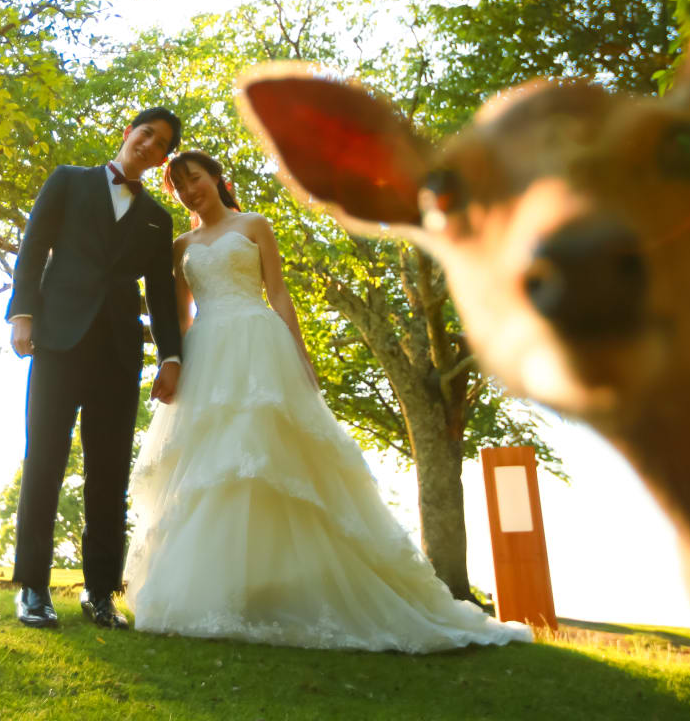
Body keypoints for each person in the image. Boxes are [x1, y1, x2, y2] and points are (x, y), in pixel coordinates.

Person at [123, 150, 532, 652]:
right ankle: (222, 590)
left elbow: (278, 294)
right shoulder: (181, 246)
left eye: (196, 179)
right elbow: (180, 316)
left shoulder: (254, 225)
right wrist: (174, 365)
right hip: (207, 354)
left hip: (258, 345)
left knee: (266, 458)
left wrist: (300, 355)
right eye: (180, 186)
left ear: (215, 177)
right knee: (209, 469)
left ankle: (288, 588)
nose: (190, 191)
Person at [7, 108, 183, 630]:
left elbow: (162, 296)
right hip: (58, 340)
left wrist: (171, 357)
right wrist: (23, 314)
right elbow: (33, 246)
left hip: (119, 352)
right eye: (146, 133)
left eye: (161, 144)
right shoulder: (68, 181)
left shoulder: (158, 219)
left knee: (109, 472)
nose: (149, 145)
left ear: (163, 158)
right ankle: (33, 587)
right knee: (44, 459)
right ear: (128, 133)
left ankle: (100, 591)